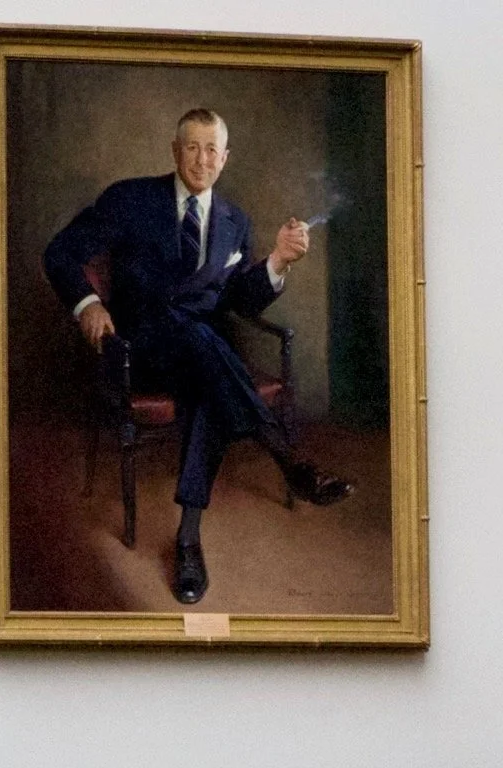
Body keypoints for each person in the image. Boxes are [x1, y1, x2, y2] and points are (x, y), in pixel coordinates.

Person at [42, 107, 354, 607]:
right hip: (139, 347)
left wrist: (276, 262)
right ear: (175, 151)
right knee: (205, 344)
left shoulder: (235, 222)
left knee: (207, 369)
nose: (202, 159)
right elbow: (59, 252)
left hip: (201, 358)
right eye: (192, 147)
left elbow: (240, 303)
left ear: (225, 158)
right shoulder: (130, 200)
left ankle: (187, 539)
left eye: (212, 149)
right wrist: (89, 302)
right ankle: (287, 456)